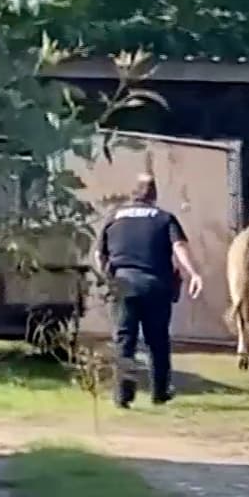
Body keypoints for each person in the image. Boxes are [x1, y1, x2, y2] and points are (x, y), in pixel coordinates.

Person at [95, 173, 204, 408]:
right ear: (154, 194)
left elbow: (99, 254)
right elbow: (179, 246)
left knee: (125, 341)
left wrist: (108, 277)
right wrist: (193, 273)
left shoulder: (113, 217)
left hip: (122, 284)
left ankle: (122, 397)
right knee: (158, 341)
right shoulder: (164, 218)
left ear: (132, 193)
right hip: (156, 285)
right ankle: (160, 393)